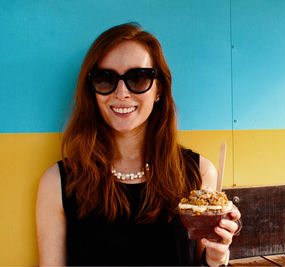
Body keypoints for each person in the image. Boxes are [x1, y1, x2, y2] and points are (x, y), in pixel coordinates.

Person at [36, 22, 241, 266]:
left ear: (158, 90)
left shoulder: (199, 174)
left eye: (138, 78)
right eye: (105, 79)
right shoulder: (58, 183)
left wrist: (218, 258)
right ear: (92, 91)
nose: (121, 92)